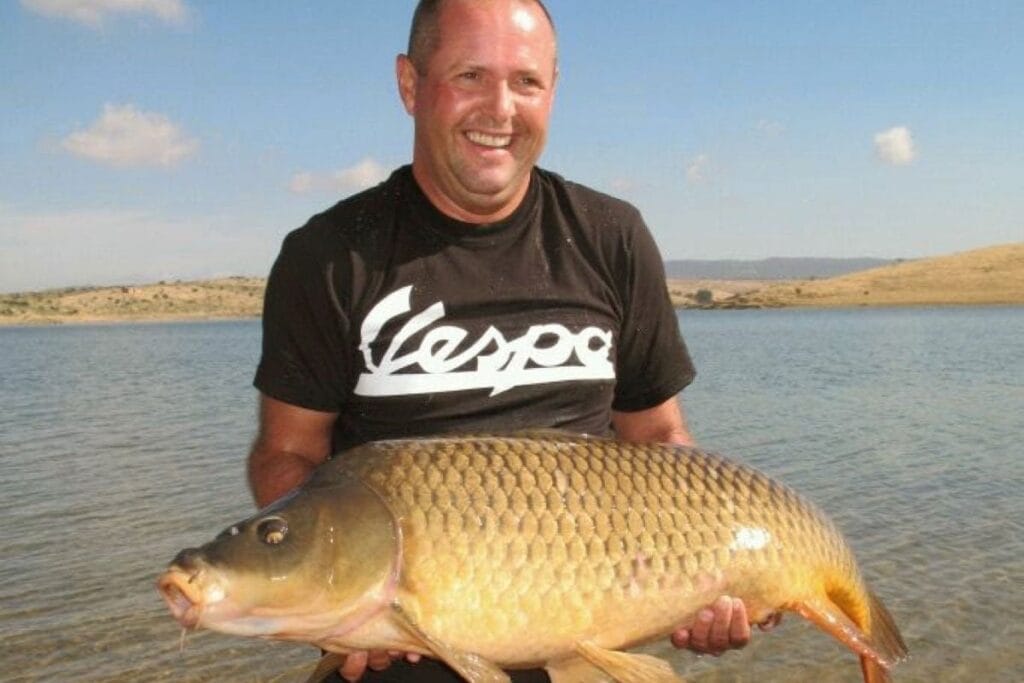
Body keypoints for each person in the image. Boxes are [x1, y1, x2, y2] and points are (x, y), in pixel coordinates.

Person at [249, 1, 772, 680]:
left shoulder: (611, 237)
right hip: (405, 640)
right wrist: (340, 594)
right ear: (411, 85)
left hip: (586, 630)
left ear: (553, 93)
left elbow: (660, 437)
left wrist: (704, 581)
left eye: (525, 82)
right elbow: (286, 453)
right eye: (469, 76)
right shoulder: (330, 256)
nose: (500, 109)